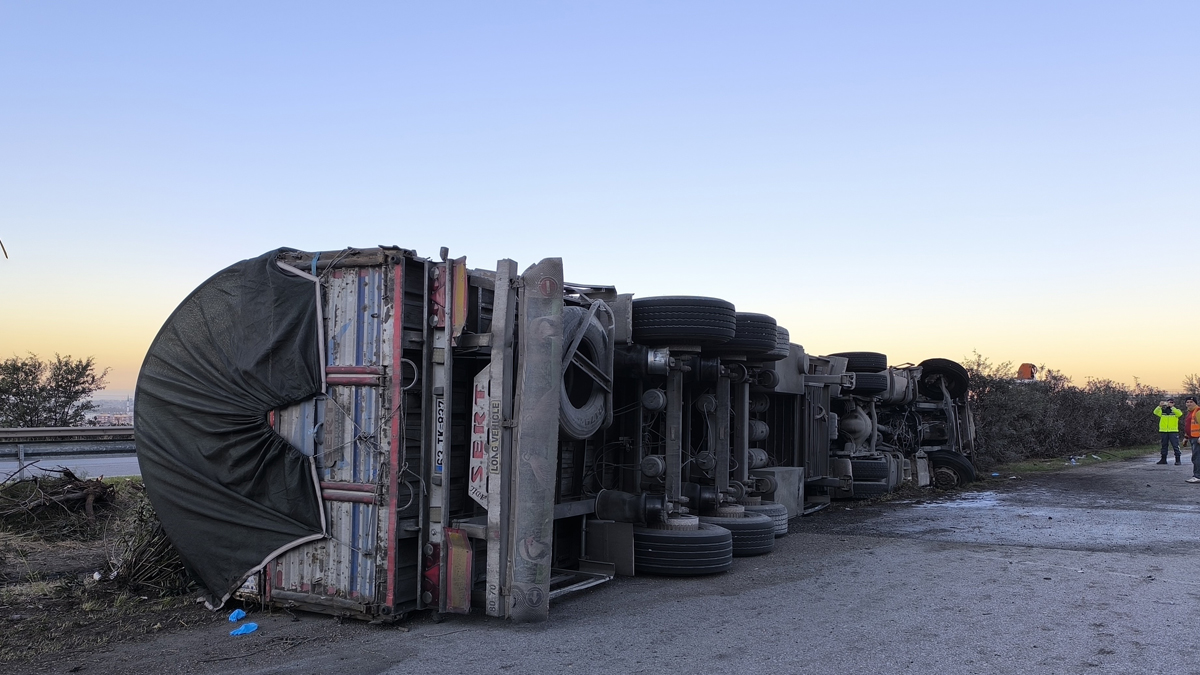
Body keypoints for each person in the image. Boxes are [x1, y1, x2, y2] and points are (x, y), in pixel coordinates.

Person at [1154, 399, 1184, 465]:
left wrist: (1172, 407)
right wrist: (1159, 406)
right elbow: (1155, 412)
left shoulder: (1176, 411)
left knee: (1175, 445)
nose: (1169, 403)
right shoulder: (1162, 411)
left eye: (1171, 402)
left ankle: (1178, 459)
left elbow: (1179, 414)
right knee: (1164, 445)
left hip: (1173, 431)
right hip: (1164, 430)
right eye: (1168, 402)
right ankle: (1163, 459)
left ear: (1174, 403)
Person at [1184, 397, 1200, 483]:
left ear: (1195, 403)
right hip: (1192, 437)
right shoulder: (1190, 412)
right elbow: (1188, 426)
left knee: (1197, 458)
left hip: (1197, 438)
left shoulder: (1197, 411)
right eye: (1187, 402)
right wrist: (1186, 437)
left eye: (1191, 402)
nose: (1189, 404)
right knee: (1196, 457)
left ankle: (1197, 476)